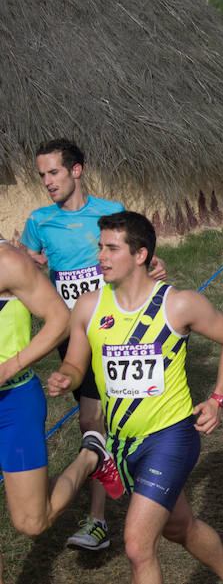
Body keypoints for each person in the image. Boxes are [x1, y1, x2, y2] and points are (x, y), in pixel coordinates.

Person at [48, 211, 223, 584]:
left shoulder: (178, 305)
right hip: (123, 444)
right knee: (180, 528)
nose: (101, 257)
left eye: (112, 248)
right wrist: (66, 377)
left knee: (136, 545)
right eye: (100, 247)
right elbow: (76, 365)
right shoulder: (89, 306)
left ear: (141, 254)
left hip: (171, 437)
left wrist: (217, 399)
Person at [22, 138, 166, 552]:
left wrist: (154, 265)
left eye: (54, 172)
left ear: (77, 170)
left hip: (112, 331)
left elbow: (140, 258)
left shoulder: (108, 214)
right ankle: (114, 499)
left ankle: (100, 518)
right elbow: (31, 269)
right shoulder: (38, 221)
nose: (48, 182)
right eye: (42, 175)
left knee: (97, 423)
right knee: (95, 424)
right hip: (69, 336)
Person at [0, 238, 124, 584]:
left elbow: (58, 318)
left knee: (31, 521)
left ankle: (91, 457)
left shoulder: (9, 263)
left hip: (12, 403)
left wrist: (8, 368)